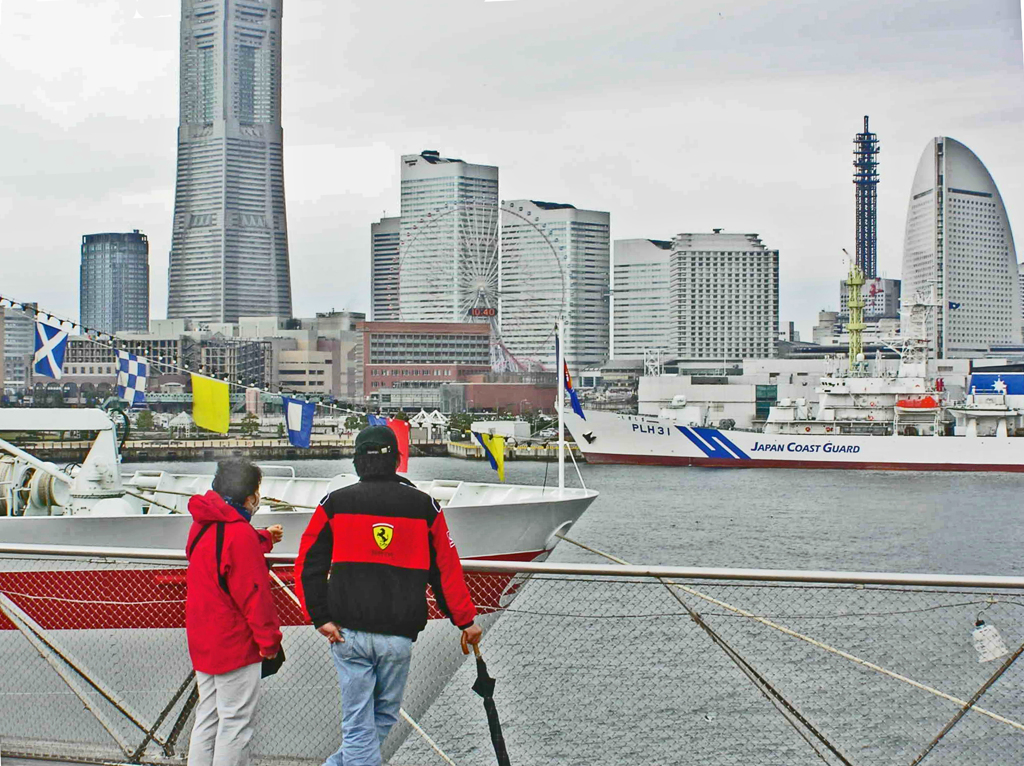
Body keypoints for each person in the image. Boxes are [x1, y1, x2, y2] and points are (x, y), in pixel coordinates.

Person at [295, 425, 483, 766]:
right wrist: (465, 621)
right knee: (382, 718)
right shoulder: (426, 506)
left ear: (356, 461)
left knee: (358, 724)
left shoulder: (335, 503)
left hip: (346, 635)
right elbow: (446, 570)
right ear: (398, 459)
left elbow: (308, 563)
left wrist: (319, 617)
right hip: (397, 638)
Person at [185, 458, 284, 766]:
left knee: (208, 717)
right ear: (249, 496)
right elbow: (255, 597)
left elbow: (222, 550)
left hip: (204, 641)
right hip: (235, 645)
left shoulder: (201, 526)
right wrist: (269, 642)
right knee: (236, 724)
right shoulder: (239, 535)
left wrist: (262, 538)